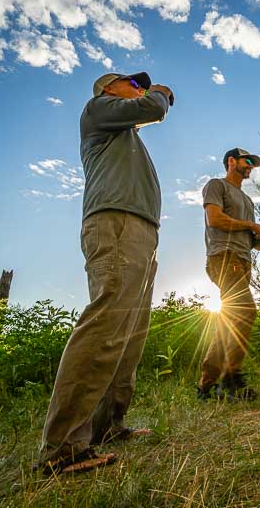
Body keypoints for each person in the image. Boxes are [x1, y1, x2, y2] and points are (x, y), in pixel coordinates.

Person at [36, 72, 174, 474]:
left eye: (143, 85)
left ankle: (109, 427)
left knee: (130, 334)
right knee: (106, 325)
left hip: (141, 230)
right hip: (115, 225)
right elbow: (154, 107)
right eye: (132, 82)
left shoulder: (124, 136)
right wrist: (161, 93)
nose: (141, 88)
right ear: (107, 89)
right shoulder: (98, 111)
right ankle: (62, 447)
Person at [196, 148, 260, 401]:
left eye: (253, 163)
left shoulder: (247, 201)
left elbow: (248, 237)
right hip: (224, 256)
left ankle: (206, 386)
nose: (251, 166)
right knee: (245, 311)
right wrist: (250, 225)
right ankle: (231, 380)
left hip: (243, 260)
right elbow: (215, 219)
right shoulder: (216, 186)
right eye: (247, 161)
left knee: (229, 320)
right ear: (231, 162)